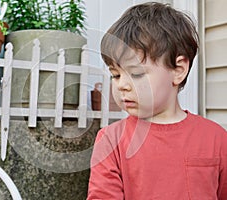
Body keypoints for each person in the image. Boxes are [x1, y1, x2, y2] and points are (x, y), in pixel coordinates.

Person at [87, 2, 227, 200]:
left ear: (178, 70)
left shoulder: (217, 139)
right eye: (116, 75)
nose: (121, 85)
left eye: (135, 73)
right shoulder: (111, 141)